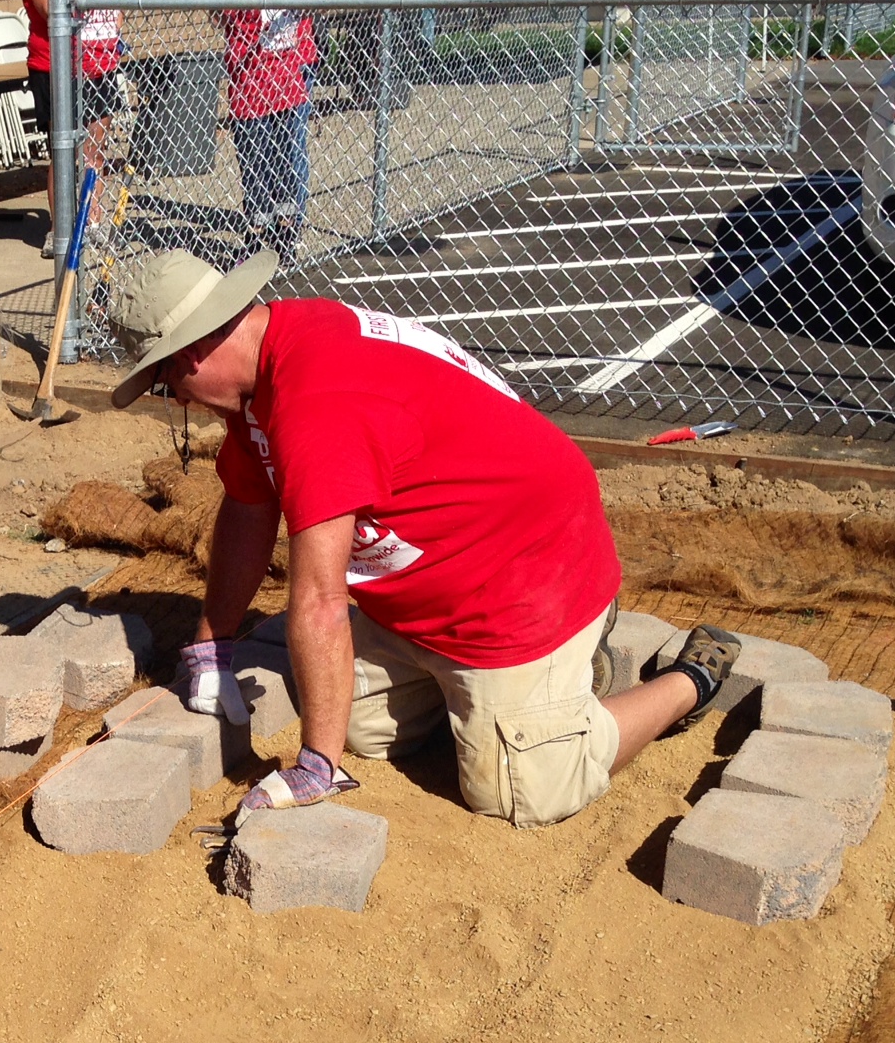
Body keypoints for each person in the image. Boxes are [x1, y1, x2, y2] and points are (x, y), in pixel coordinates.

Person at [108, 249, 742, 828]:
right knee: (351, 716)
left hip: (524, 579)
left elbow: (322, 601)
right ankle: (531, 700)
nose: (180, 403)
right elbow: (249, 509)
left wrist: (316, 769)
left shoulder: (317, 400)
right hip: (437, 591)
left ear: (190, 355)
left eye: (165, 385)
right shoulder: (267, 364)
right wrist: (210, 646)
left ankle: (684, 681)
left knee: (520, 792)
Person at [218, 0, 319, 261]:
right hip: (290, 83)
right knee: (286, 162)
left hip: (251, 89)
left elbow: (230, 25)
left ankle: (258, 237)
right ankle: (287, 237)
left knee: (257, 166)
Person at [22, 0, 122, 259]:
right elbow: (53, 10)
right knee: (65, 150)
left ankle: (91, 220)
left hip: (99, 66)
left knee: (95, 150)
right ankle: (60, 227)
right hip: (59, 70)